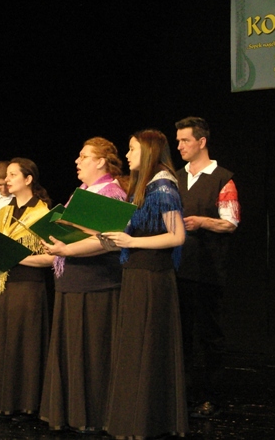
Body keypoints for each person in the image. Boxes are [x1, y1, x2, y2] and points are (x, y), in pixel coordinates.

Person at [101, 129, 187, 438]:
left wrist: (131, 241)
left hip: (152, 277)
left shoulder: (162, 186)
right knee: (135, 348)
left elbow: (177, 236)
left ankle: (147, 421)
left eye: (132, 149)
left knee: (147, 348)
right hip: (137, 273)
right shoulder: (144, 186)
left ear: (148, 152)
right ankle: (134, 419)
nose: (127, 155)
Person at [38, 138, 127, 433]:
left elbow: (108, 240)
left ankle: (93, 415)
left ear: (101, 161)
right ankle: (71, 413)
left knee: (92, 351)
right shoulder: (84, 192)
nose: (77, 161)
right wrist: (55, 240)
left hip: (96, 282)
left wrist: (67, 248)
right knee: (72, 349)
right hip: (73, 280)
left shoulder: (111, 192)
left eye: (84, 156)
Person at [174, 116, 240, 418]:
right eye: (178, 141)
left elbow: (230, 223)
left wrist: (202, 221)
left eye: (185, 140)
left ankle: (211, 396)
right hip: (178, 269)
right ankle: (183, 394)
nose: (180, 146)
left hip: (207, 271)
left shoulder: (222, 178)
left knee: (208, 335)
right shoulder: (175, 178)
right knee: (181, 335)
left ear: (202, 142)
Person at [0, 157, 53, 418]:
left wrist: (18, 257)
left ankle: (26, 402)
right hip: (3, 285)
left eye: (13, 175)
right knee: (2, 343)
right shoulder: (2, 213)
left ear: (28, 179)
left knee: (25, 344)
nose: (7, 179)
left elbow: (53, 258)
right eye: (7, 175)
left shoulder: (43, 213)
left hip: (29, 286)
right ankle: (0, 401)